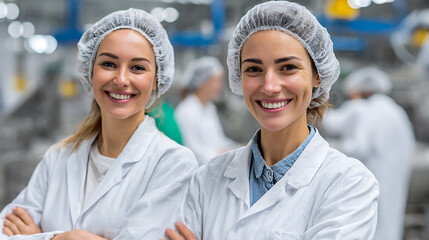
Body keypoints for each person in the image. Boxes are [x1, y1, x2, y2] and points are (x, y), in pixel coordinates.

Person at [164, 1, 379, 239]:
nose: (269, 86)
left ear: (318, 74)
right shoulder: (206, 179)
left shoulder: (348, 184)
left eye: (287, 67)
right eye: (254, 69)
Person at [0, 8, 197, 240]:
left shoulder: (174, 163)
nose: (121, 79)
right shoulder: (59, 157)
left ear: (157, 80)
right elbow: (6, 228)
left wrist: (47, 236)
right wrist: (64, 238)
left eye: (137, 67)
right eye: (109, 64)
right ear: (90, 71)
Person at [323, 67, 415, 240]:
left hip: (374, 176)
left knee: (371, 222)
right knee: (390, 221)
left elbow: (358, 147)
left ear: (357, 90)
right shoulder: (394, 110)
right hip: (395, 177)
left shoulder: (366, 110)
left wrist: (332, 147)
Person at [175, 56, 239, 166]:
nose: (220, 87)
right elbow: (192, 150)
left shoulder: (209, 107)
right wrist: (223, 155)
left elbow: (219, 140)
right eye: (217, 81)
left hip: (215, 166)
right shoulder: (186, 111)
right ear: (203, 82)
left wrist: (237, 149)